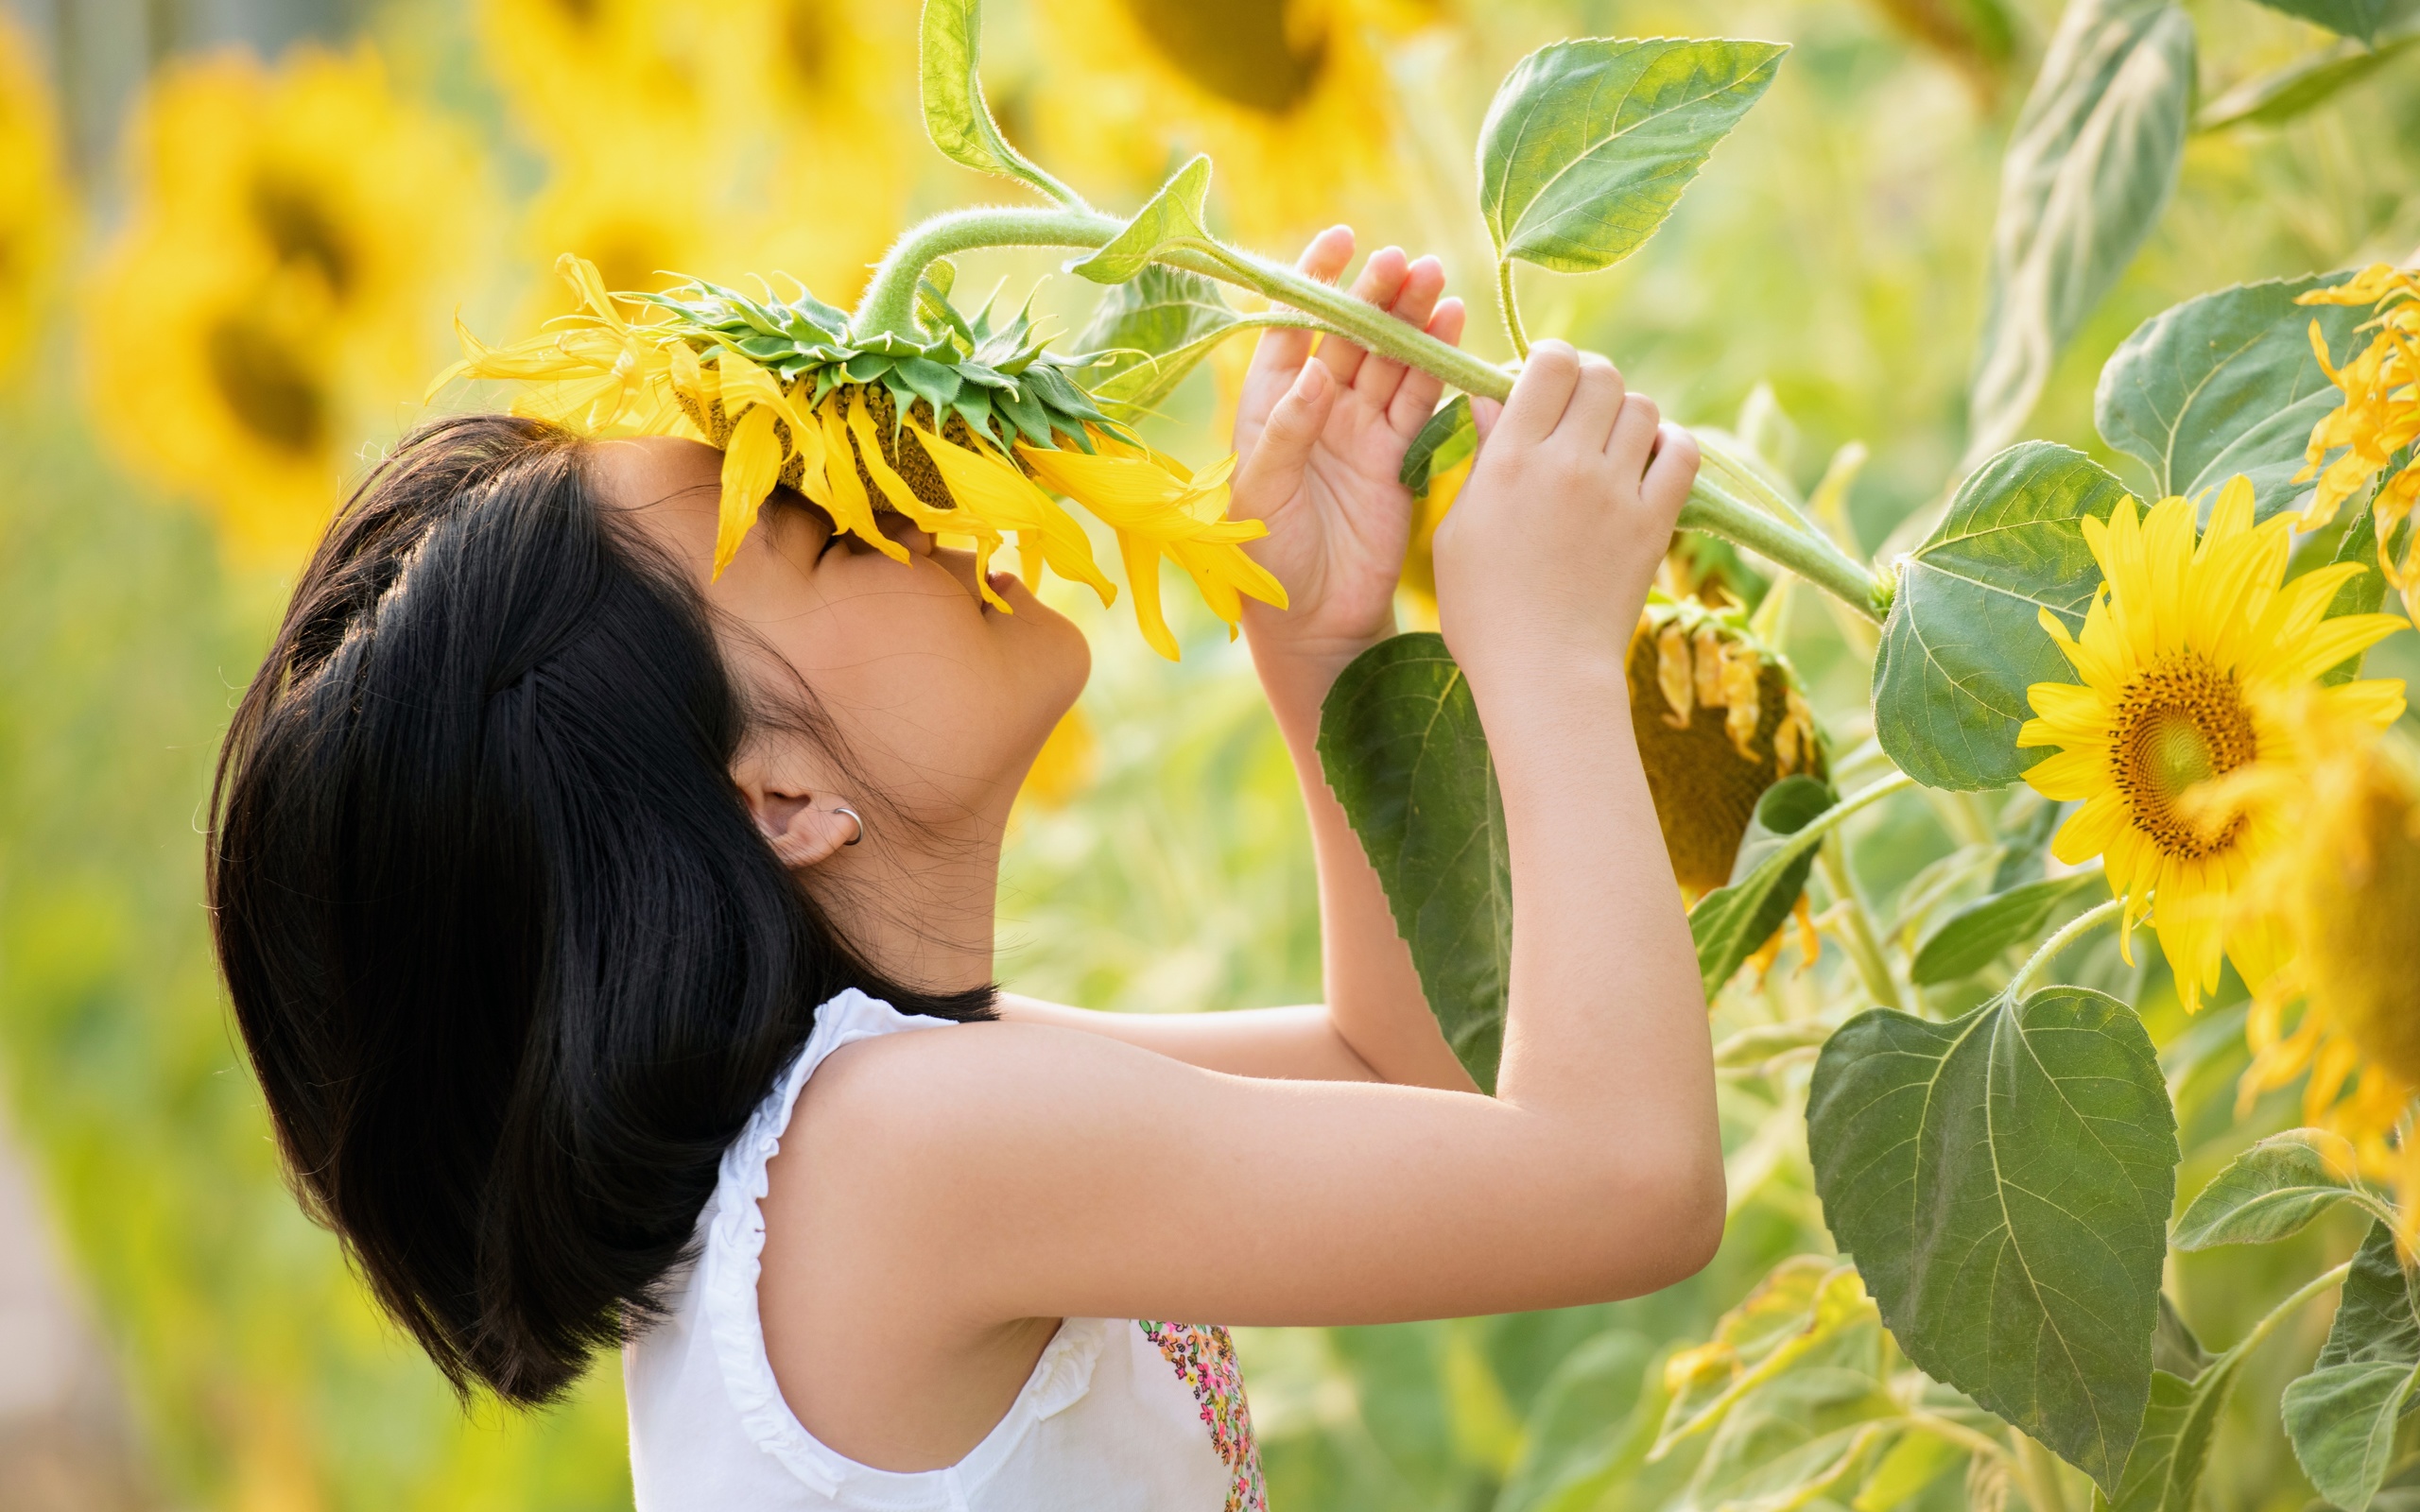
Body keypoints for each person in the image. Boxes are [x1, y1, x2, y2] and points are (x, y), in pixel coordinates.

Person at [207, 229, 1720, 1510]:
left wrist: (1322, 647)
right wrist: (1548, 657)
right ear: (782, 796)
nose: (922, 496)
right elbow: (1627, 1184)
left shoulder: (879, 1117)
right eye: (826, 528)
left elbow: (1399, 1080)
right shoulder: (895, 1154)